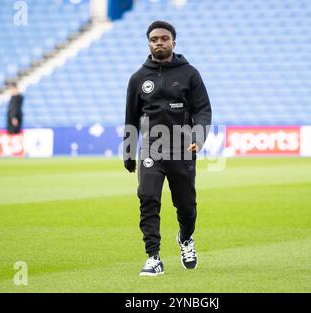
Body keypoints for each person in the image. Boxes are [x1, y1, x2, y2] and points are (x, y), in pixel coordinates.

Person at [123, 21, 212, 276]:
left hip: (182, 148)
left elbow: (203, 109)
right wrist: (129, 154)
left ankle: (185, 239)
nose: (159, 42)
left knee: (186, 205)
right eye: (154, 39)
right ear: (148, 43)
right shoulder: (138, 78)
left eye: (164, 38)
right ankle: (153, 257)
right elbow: (131, 118)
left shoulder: (190, 74)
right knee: (147, 198)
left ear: (174, 41)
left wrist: (199, 135)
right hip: (152, 149)